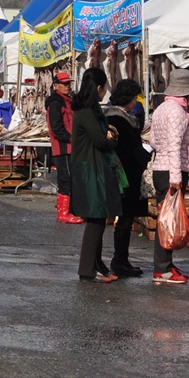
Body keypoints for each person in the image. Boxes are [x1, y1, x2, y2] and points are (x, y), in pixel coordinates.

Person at [68, 67, 120, 282]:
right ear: (99, 88)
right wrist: (112, 139)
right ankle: (87, 269)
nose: (105, 92)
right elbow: (100, 140)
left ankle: (97, 265)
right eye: (104, 87)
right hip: (90, 167)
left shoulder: (88, 109)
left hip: (90, 165)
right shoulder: (87, 111)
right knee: (96, 217)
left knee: (98, 217)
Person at [149, 68, 189, 285]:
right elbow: (175, 145)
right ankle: (162, 268)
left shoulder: (161, 108)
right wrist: (176, 178)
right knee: (167, 221)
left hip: (162, 167)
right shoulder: (177, 112)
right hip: (171, 171)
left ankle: (165, 264)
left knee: (165, 218)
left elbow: (153, 141)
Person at [102, 78, 150, 278]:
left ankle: (119, 260)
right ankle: (120, 260)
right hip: (126, 176)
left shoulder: (107, 116)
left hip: (113, 173)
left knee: (118, 218)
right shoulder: (123, 120)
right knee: (125, 218)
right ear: (129, 99)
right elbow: (134, 151)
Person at [46, 70, 82, 223]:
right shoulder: (55, 103)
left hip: (71, 147)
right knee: (65, 178)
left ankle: (70, 210)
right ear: (56, 86)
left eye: (69, 83)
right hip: (62, 148)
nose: (67, 86)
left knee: (71, 178)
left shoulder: (69, 100)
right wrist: (71, 139)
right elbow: (56, 127)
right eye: (64, 84)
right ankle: (63, 213)